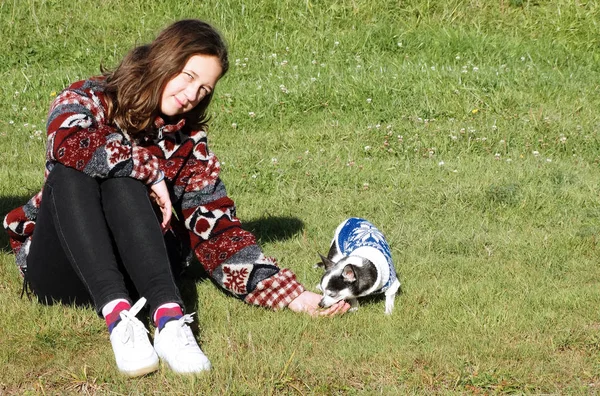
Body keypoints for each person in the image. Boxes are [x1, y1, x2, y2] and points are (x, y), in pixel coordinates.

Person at [3, 19, 349, 377]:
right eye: (187, 76)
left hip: (139, 273)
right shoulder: (87, 98)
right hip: (64, 270)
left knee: (125, 184)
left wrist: (291, 295)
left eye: (204, 89)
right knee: (72, 168)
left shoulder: (188, 143)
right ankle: (118, 318)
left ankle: (169, 321)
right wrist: (148, 169)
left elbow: (218, 233)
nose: (192, 94)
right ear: (164, 59)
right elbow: (66, 143)